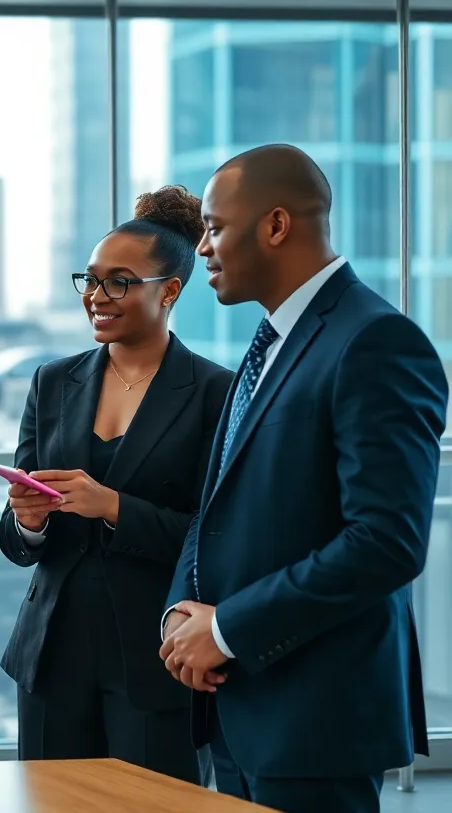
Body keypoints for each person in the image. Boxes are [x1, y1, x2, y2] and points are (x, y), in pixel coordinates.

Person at [160, 144, 448, 813]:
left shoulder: (376, 341)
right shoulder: (265, 345)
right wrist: (181, 613)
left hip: (317, 723)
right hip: (238, 712)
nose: (201, 246)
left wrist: (228, 628)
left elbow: (386, 542)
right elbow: (217, 508)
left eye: (214, 226)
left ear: (277, 225)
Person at [0, 187, 233, 781]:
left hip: (156, 655)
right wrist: (28, 520)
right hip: (52, 654)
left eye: (119, 282)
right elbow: (18, 545)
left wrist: (113, 507)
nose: (97, 297)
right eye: (91, 280)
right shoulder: (52, 382)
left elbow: (219, 537)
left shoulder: (216, 394)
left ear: (170, 290)